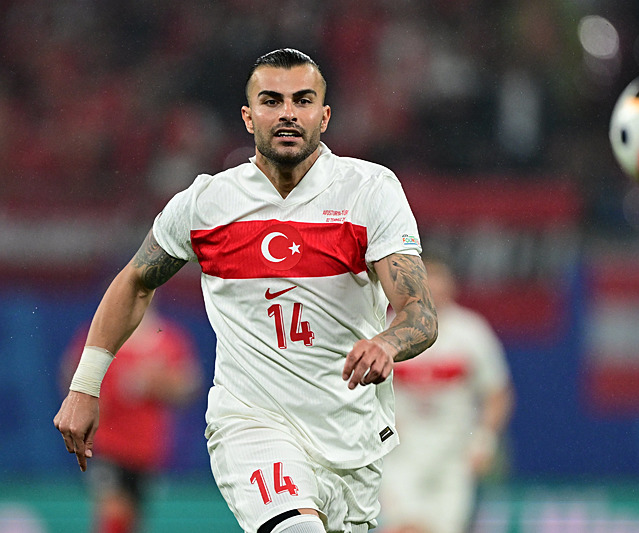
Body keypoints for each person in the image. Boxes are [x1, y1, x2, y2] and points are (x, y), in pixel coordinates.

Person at [53, 48, 438, 533]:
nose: (287, 113)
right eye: (271, 101)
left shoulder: (370, 191)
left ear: (324, 116)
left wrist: (386, 342)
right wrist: (85, 386)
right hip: (252, 425)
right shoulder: (208, 203)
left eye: (302, 100)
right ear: (248, 116)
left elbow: (420, 313)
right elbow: (135, 281)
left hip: (350, 435)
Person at [378, 255, 514, 533]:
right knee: (403, 528)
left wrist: (485, 440)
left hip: (454, 454)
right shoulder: (388, 330)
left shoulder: (471, 332)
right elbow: (365, 389)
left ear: (451, 286)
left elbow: (497, 393)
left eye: (440, 283)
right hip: (402, 453)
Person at [60, 306, 202, 533]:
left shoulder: (168, 339)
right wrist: (93, 397)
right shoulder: (98, 334)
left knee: (133, 519)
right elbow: (71, 376)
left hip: (147, 451)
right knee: (113, 513)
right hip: (107, 446)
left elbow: (188, 387)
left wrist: (155, 383)